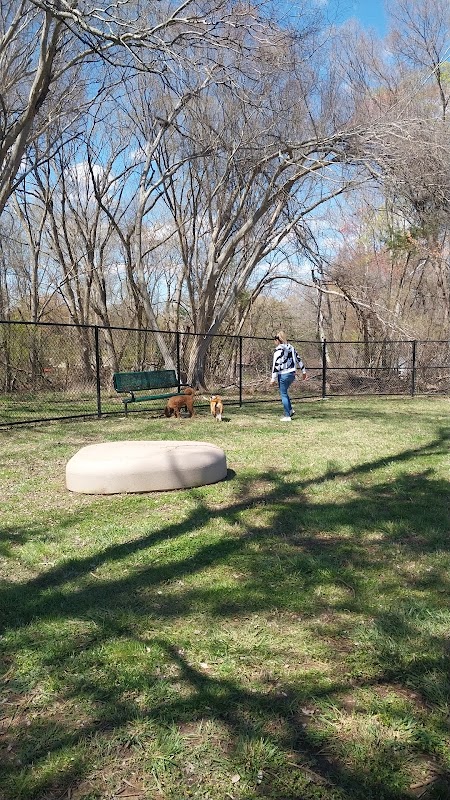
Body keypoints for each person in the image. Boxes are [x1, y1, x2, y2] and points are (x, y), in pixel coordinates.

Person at [270, 330, 307, 421]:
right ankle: (290, 410)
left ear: (277, 340)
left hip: (283, 374)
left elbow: (276, 365)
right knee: (285, 392)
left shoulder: (278, 351)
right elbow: (298, 359)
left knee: (283, 394)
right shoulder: (291, 348)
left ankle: (287, 416)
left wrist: (273, 378)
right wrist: (304, 371)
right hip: (292, 374)